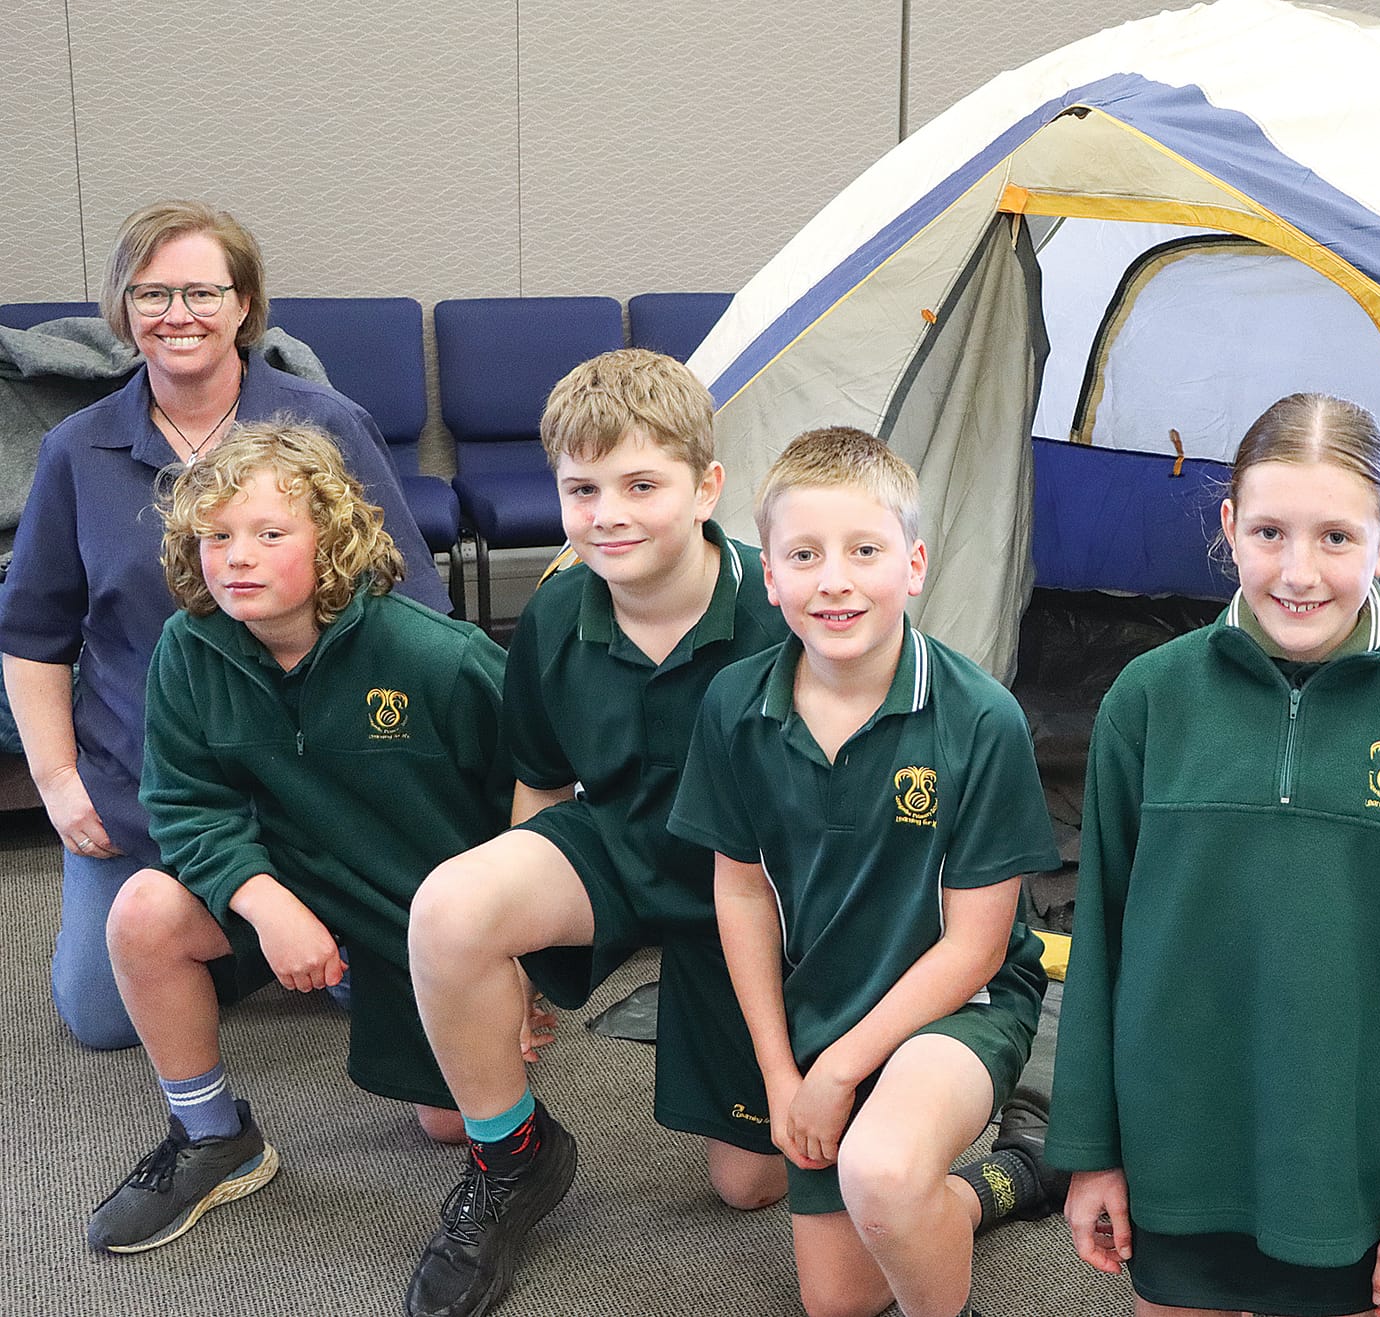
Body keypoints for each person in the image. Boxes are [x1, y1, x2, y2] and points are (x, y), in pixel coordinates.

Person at [1042, 393, 1380, 1317]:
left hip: (1350, 1177)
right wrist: (1090, 1149)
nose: (1299, 572)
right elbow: (1098, 937)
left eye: (1336, 537)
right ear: (1229, 529)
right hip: (1177, 1161)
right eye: (1269, 533)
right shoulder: (1148, 700)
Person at [0, 199, 446, 1050]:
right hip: (149, 792)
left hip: (320, 792)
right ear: (123, 308)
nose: (179, 315)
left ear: (244, 304)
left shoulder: (327, 425)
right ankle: (240, 940)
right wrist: (57, 781)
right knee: (102, 1017)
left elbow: (411, 606)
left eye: (203, 292)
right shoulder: (76, 451)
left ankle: (264, 929)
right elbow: (31, 634)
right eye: (152, 293)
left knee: (414, 999)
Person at [402, 349, 791, 1317]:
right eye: (582, 489)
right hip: (619, 844)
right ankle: (513, 1156)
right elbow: (541, 784)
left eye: (641, 485)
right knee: (451, 909)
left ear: (707, 487)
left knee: (749, 1184)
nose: (608, 512)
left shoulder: (785, 610)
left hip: (760, 892)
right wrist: (520, 958)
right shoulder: (554, 609)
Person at [667, 427, 1069, 1317]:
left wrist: (837, 1072)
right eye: (804, 554)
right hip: (821, 1003)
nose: (834, 580)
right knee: (837, 1298)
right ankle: (1010, 1178)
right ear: (769, 577)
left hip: (959, 1008)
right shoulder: (734, 705)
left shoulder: (981, 719)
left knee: (881, 1172)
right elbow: (741, 890)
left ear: (914, 565)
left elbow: (974, 949)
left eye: (865, 550)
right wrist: (782, 1073)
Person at [86, 422, 508, 1254]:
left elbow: (533, 806)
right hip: (291, 878)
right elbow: (184, 804)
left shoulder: (437, 655)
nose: (237, 557)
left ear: (333, 539)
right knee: (142, 912)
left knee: (449, 1126)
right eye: (217, 536)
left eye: (270, 534)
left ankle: (407, 990)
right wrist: (266, 901)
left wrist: (511, 961)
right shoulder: (187, 649)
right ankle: (212, 1135)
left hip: (416, 909)